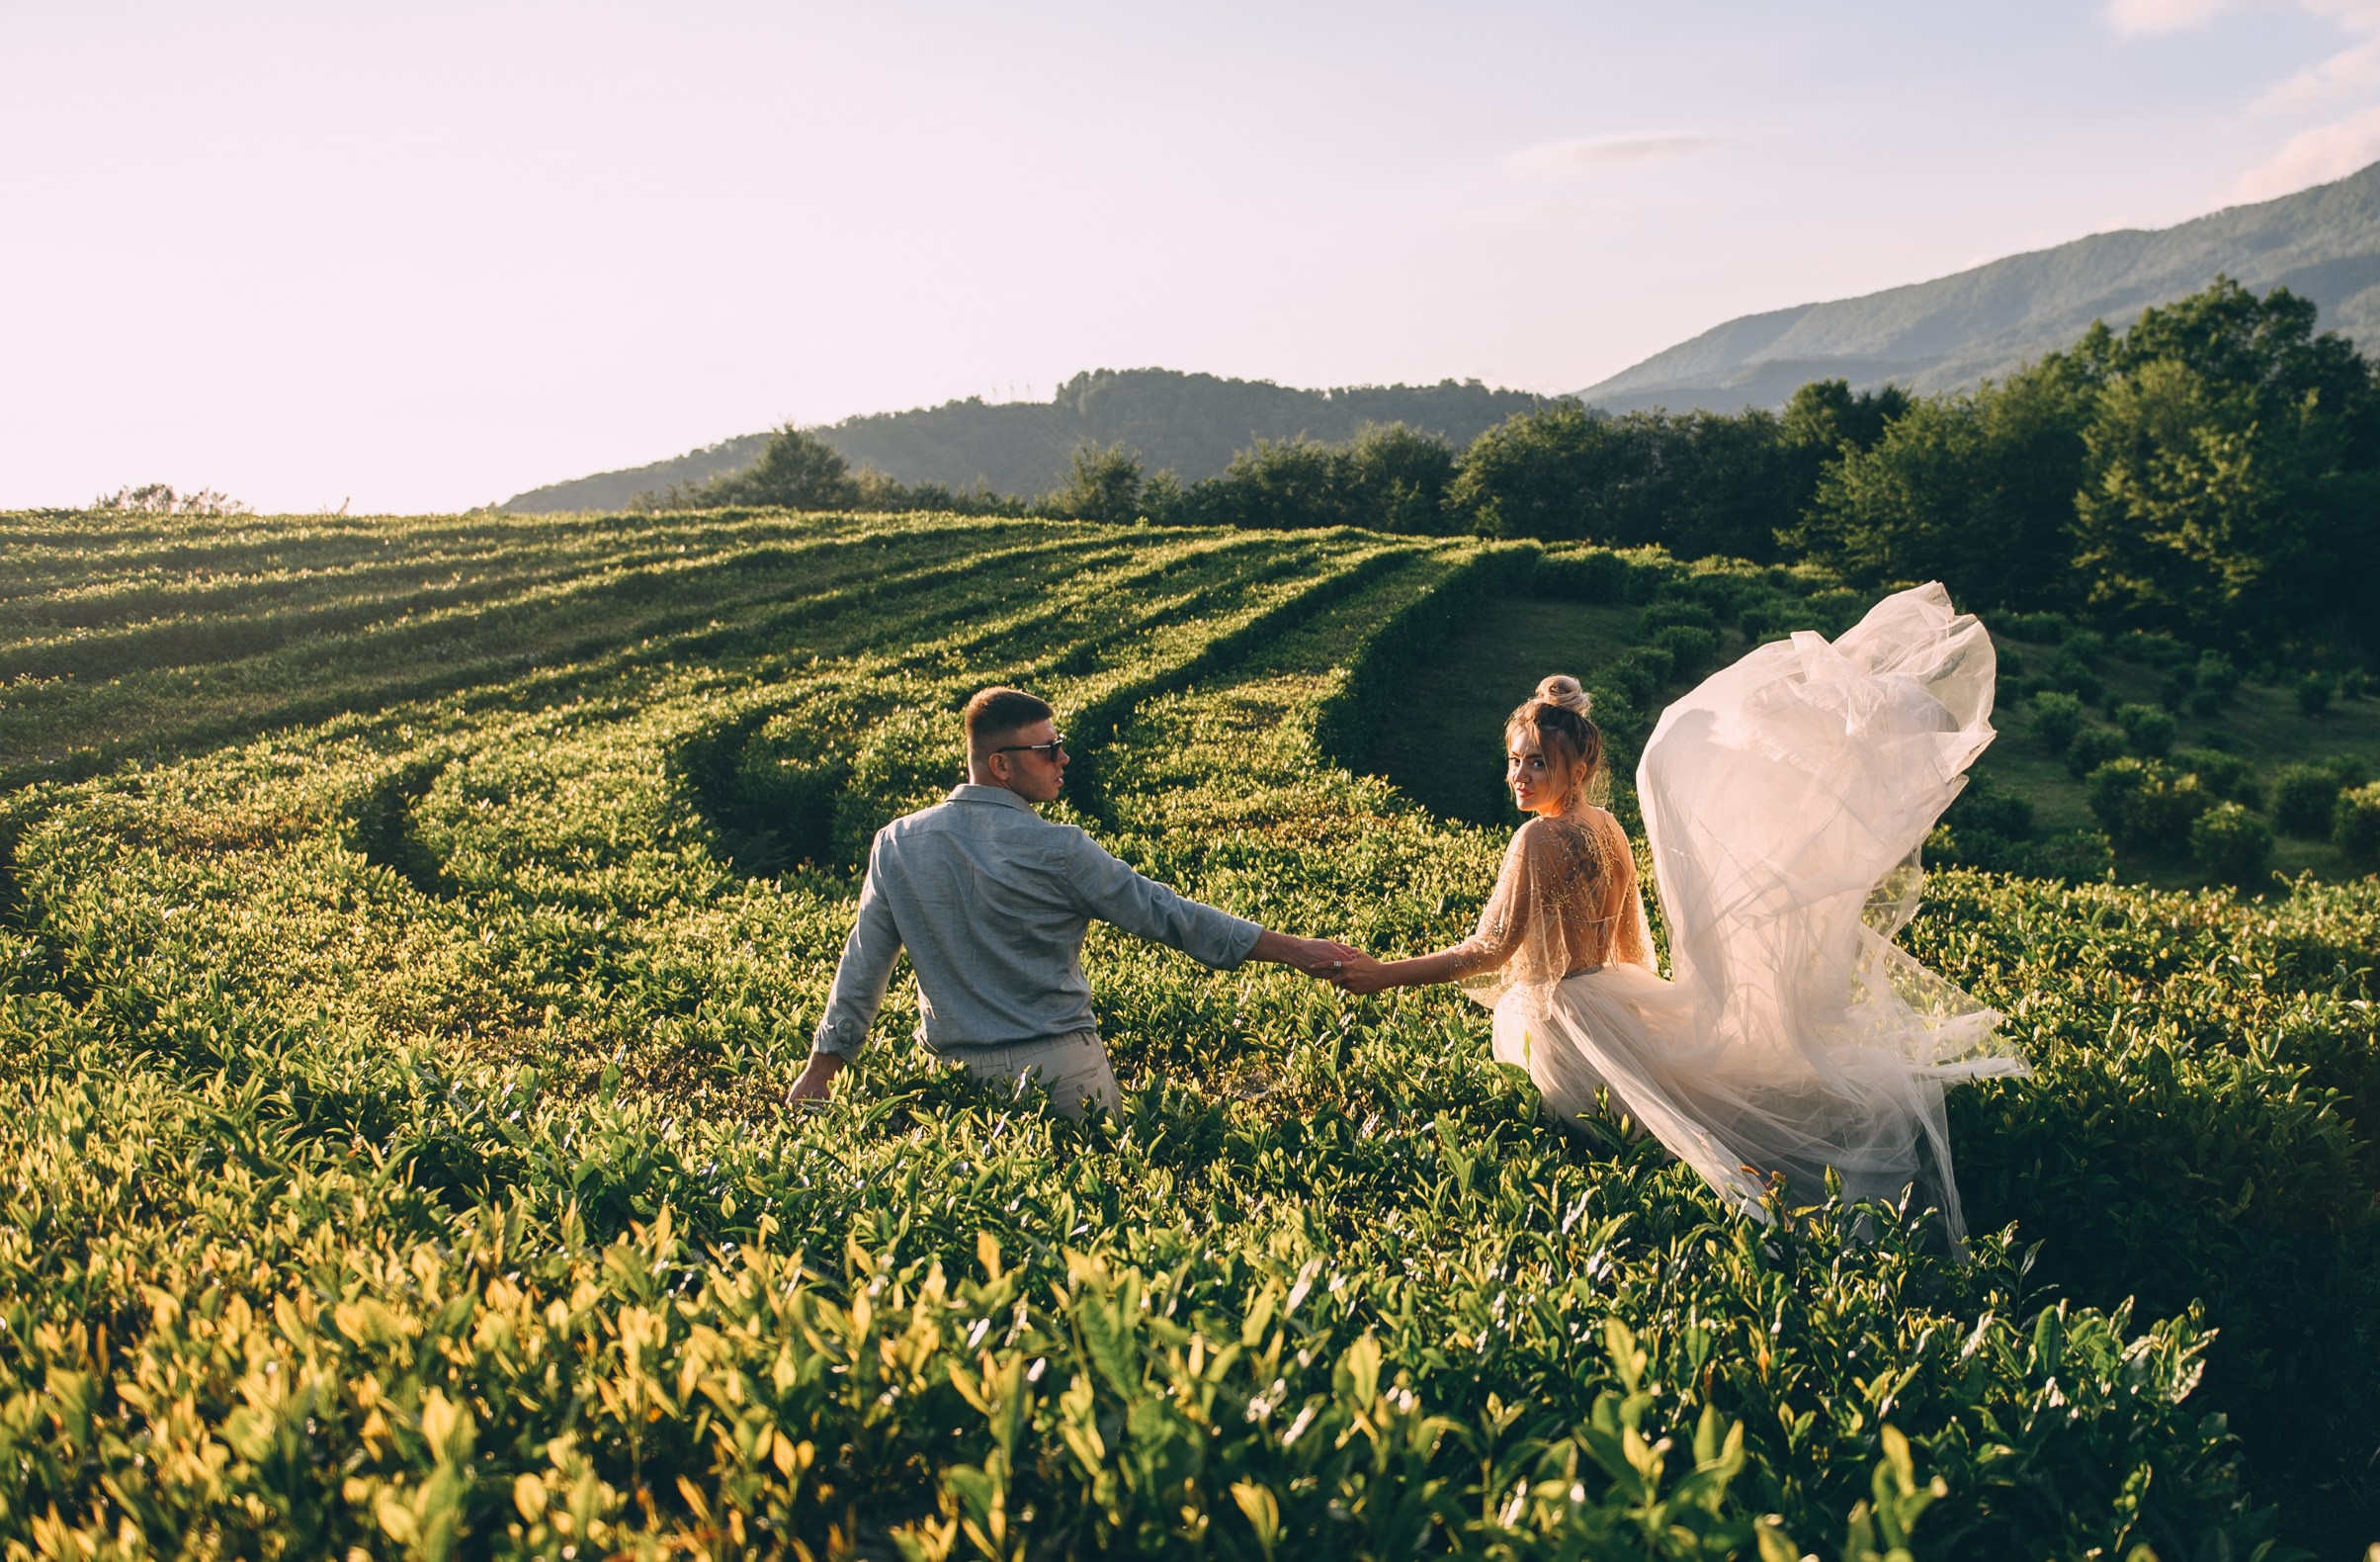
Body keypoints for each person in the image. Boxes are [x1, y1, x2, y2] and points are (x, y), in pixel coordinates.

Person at [1328, 583, 2027, 1242]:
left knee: (1648, 1166)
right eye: (1514, 761)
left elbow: (1492, 949)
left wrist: (1382, 974)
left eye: (1536, 763)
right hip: (1615, 1001)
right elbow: (1631, 942)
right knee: (1694, 1136)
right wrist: (1645, 1019)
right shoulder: (1606, 826)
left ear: (1577, 768)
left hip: (1566, 1025)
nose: (1519, 776)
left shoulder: (1537, 837)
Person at [787, 685, 1356, 1117]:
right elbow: (1168, 916)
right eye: (1048, 750)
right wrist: (1294, 949)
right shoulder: (1060, 848)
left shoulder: (897, 842)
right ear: (1000, 764)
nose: (1063, 759)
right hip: (1061, 1072)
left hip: (952, 1079)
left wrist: (822, 1069)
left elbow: (862, 966)